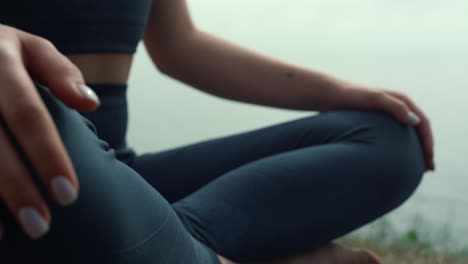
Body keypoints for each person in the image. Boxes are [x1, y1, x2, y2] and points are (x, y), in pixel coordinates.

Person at [0, 0, 434, 263]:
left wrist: (340, 92)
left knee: (390, 137)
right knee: (40, 115)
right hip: (36, 165)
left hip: (123, 177)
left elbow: (180, 45)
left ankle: (176, 245)